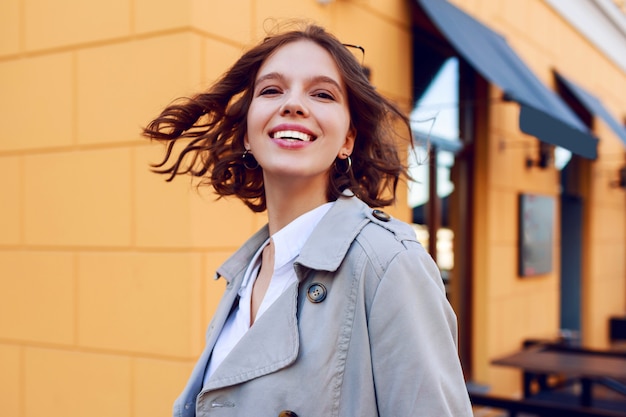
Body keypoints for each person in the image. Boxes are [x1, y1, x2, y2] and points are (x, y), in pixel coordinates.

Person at [143, 22, 473, 417]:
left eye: (321, 94)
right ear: (248, 132)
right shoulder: (244, 273)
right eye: (271, 90)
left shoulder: (388, 264)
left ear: (347, 139)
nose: (293, 104)